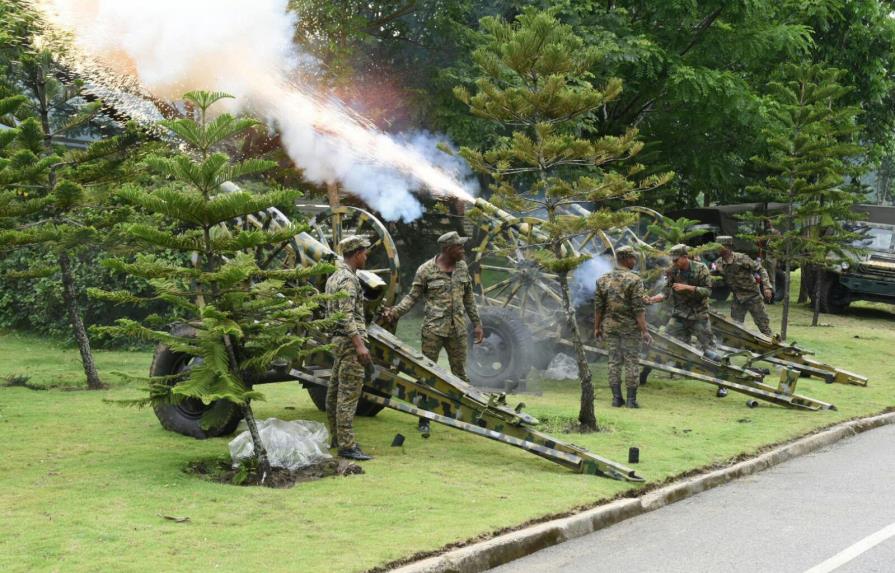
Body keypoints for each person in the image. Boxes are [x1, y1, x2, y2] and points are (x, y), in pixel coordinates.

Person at [382, 231, 484, 435]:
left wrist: (478, 324)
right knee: (426, 375)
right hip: (433, 331)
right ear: (447, 249)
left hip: (457, 330)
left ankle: (468, 416)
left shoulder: (462, 267)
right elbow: (412, 297)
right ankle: (424, 418)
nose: (463, 250)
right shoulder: (426, 270)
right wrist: (395, 313)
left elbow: (469, 298)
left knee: (461, 374)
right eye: (459, 247)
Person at [324, 235, 373, 461]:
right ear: (355, 254)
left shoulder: (334, 277)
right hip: (350, 343)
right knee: (348, 395)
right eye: (364, 253)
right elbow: (346, 315)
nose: (366, 256)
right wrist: (360, 346)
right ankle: (347, 445)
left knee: (334, 393)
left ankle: (336, 437)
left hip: (337, 342)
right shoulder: (349, 280)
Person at [594, 246, 653, 408]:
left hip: (610, 328)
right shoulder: (634, 280)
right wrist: (645, 331)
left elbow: (599, 307)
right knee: (631, 362)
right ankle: (631, 401)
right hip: (630, 330)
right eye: (633, 258)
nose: (635, 261)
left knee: (613, 362)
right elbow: (638, 309)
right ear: (626, 259)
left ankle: (616, 398)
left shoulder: (602, 279)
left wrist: (597, 328)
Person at [648, 243, 717, 352]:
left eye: (676, 260)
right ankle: (680, 366)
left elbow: (707, 291)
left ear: (685, 257)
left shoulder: (701, 268)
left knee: (709, 347)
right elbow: (666, 291)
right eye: (672, 260)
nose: (674, 263)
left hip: (698, 315)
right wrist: (654, 298)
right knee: (670, 343)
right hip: (679, 315)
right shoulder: (673, 270)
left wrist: (688, 288)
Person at [713, 235, 774, 336]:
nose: (718, 249)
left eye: (720, 246)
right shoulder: (718, 263)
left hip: (753, 296)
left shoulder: (741, 258)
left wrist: (767, 287)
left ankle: (774, 347)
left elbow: (760, 269)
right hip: (738, 299)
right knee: (735, 328)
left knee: (764, 327)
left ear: (728, 247)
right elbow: (714, 279)